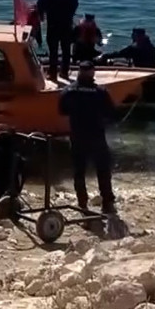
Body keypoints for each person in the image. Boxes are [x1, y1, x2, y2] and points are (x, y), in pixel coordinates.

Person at [59, 62, 117, 214]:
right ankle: (107, 203)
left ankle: (83, 204)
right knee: (103, 170)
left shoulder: (69, 91)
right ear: (92, 73)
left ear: (78, 73)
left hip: (77, 136)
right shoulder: (100, 92)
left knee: (79, 172)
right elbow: (111, 113)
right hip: (97, 136)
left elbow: (62, 110)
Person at [36, 0, 79, 80]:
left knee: (53, 51)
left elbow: (39, 5)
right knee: (66, 50)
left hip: (53, 25)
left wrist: (42, 16)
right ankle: (64, 72)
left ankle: (53, 74)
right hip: (66, 24)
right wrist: (69, 15)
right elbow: (75, 5)